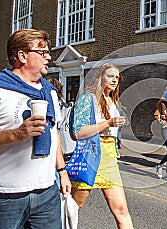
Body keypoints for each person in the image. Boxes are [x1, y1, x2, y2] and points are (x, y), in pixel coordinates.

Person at [0, 29, 71, 229]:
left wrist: (61, 171)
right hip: (3, 196)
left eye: (48, 52)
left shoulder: (49, 92)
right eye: (42, 52)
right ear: (22, 55)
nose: (49, 57)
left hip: (47, 193)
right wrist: (15, 134)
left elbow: (53, 133)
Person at [70, 62, 133, 228]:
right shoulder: (88, 98)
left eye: (117, 77)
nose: (114, 80)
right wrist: (108, 123)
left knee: (121, 210)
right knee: (73, 208)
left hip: (109, 158)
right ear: (100, 77)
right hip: (91, 156)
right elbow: (78, 132)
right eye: (110, 76)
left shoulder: (113, 102)